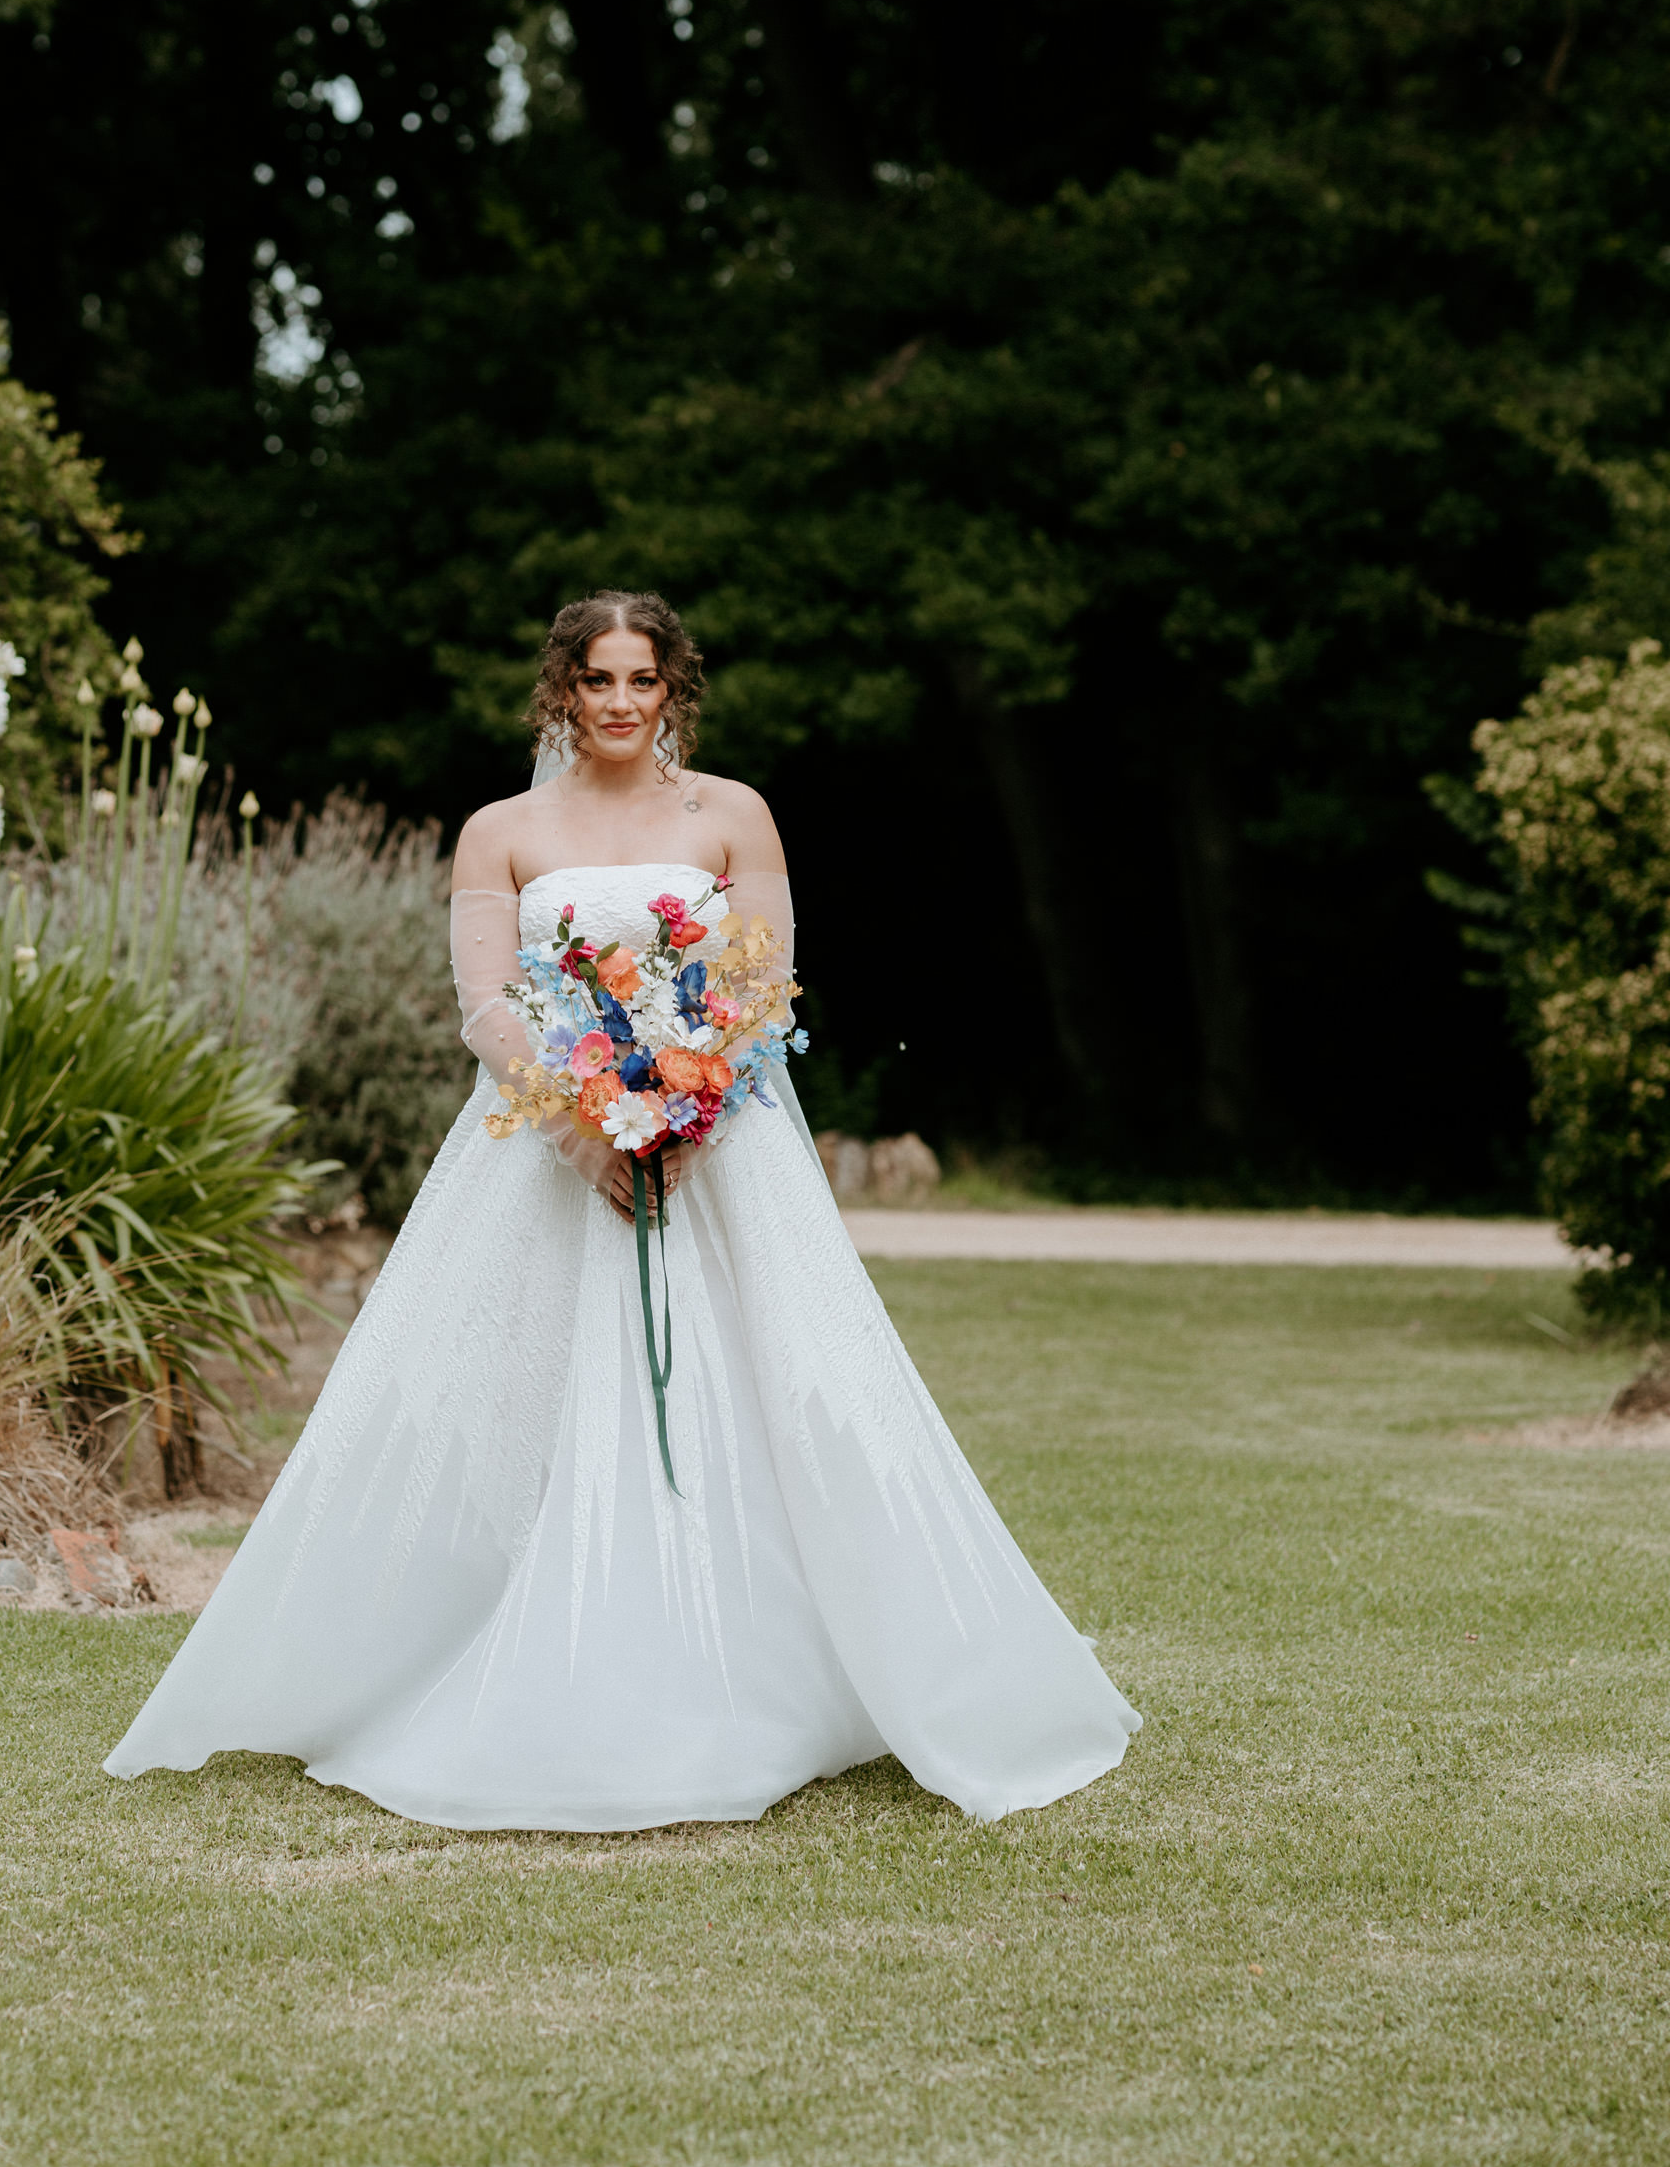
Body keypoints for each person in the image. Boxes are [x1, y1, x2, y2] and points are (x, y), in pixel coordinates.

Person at [105, 589, 1139, 1828]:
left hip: (724, 1145)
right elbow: (488, 1004)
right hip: (547, 1144)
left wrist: (688, 1110)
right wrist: (581, 1128)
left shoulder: (732, 814)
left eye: (640, 679)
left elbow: (760, 984)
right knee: (508, 1395)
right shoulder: (499, 831)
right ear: (560, 690)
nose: (618, 701)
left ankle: (790, 1660)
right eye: (595, 679)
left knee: (778, 1382)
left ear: (671, 687)